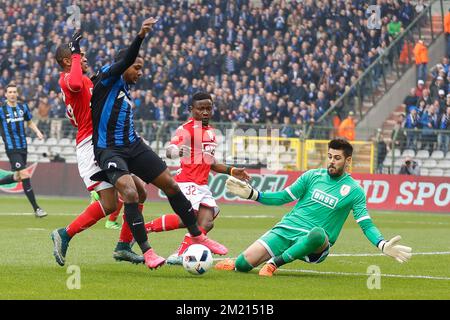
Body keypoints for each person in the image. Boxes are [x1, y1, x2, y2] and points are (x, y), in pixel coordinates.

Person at [90, 17, 228, 270]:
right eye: (137, 67)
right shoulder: (108, 79)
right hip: (109, 150)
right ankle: (147, 251)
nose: (140, 73)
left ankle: (198, 235)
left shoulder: (125, 91)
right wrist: (140, 37)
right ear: (125, 66)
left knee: (171, 185)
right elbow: (124, 60)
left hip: (133, 146)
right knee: (130, 193)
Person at [215, 139, 412, 277]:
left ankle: (274, 263)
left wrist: (382, 244)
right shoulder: (312, 176)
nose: (332, 162)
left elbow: (366, 225)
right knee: (242, 265)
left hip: (315, 243)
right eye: (329, 156)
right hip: (287, 228)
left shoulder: (355, 191)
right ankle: (237, 262)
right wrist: (254, 194)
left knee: (318, 234)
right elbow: (283, 197)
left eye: (337, 158)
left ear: (348, 161)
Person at [51, 31, 147, 266]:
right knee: (110, 203)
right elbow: (74, 82)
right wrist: (75, 52)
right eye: (79, 56)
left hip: (108, 142)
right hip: (91, 145)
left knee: (139, 191)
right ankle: (66, 233)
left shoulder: (87, 80)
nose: (84, 59)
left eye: (81, 56)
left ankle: (123, 245)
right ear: (67, 61)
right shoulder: (67, 78)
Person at [142, 92, 250, 265]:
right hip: (187, 181)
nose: (205, 112)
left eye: (208, 108)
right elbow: (170, 150)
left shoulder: (211, 132)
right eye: (201, 109)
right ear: (191, 110)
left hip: (202, 185)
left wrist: (231, 170)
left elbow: (211, 161)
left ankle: (180, 253)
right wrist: (177, 151)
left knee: (207, 223)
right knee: (188, 218)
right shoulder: (186, 129)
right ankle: (143, 229)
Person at [0, 82, 47, 217]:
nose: (12, 94)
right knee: (25, 175)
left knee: (18, 177)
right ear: (6, 94)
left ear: (17, 94)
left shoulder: (23, 107)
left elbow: (30, 121)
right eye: (10, 92)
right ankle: (37, 209)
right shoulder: (2, 110)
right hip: (12, 148)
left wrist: (37, 132)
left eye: (14, 92)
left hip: (23, 147)